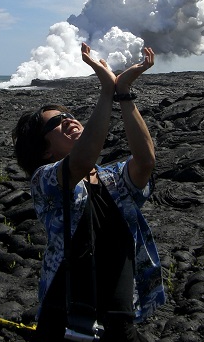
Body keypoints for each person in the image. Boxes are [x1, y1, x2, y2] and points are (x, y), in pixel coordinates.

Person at [13, 42, 165, 342]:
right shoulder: (45, 180)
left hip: (119, 317)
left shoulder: (112, 179)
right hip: (66, 318)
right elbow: (80, 162)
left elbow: (145, 161)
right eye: (56, 122)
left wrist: (123, 94)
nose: (69, 119)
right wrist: (106, 92)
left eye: (69, 114)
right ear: (43, 150)